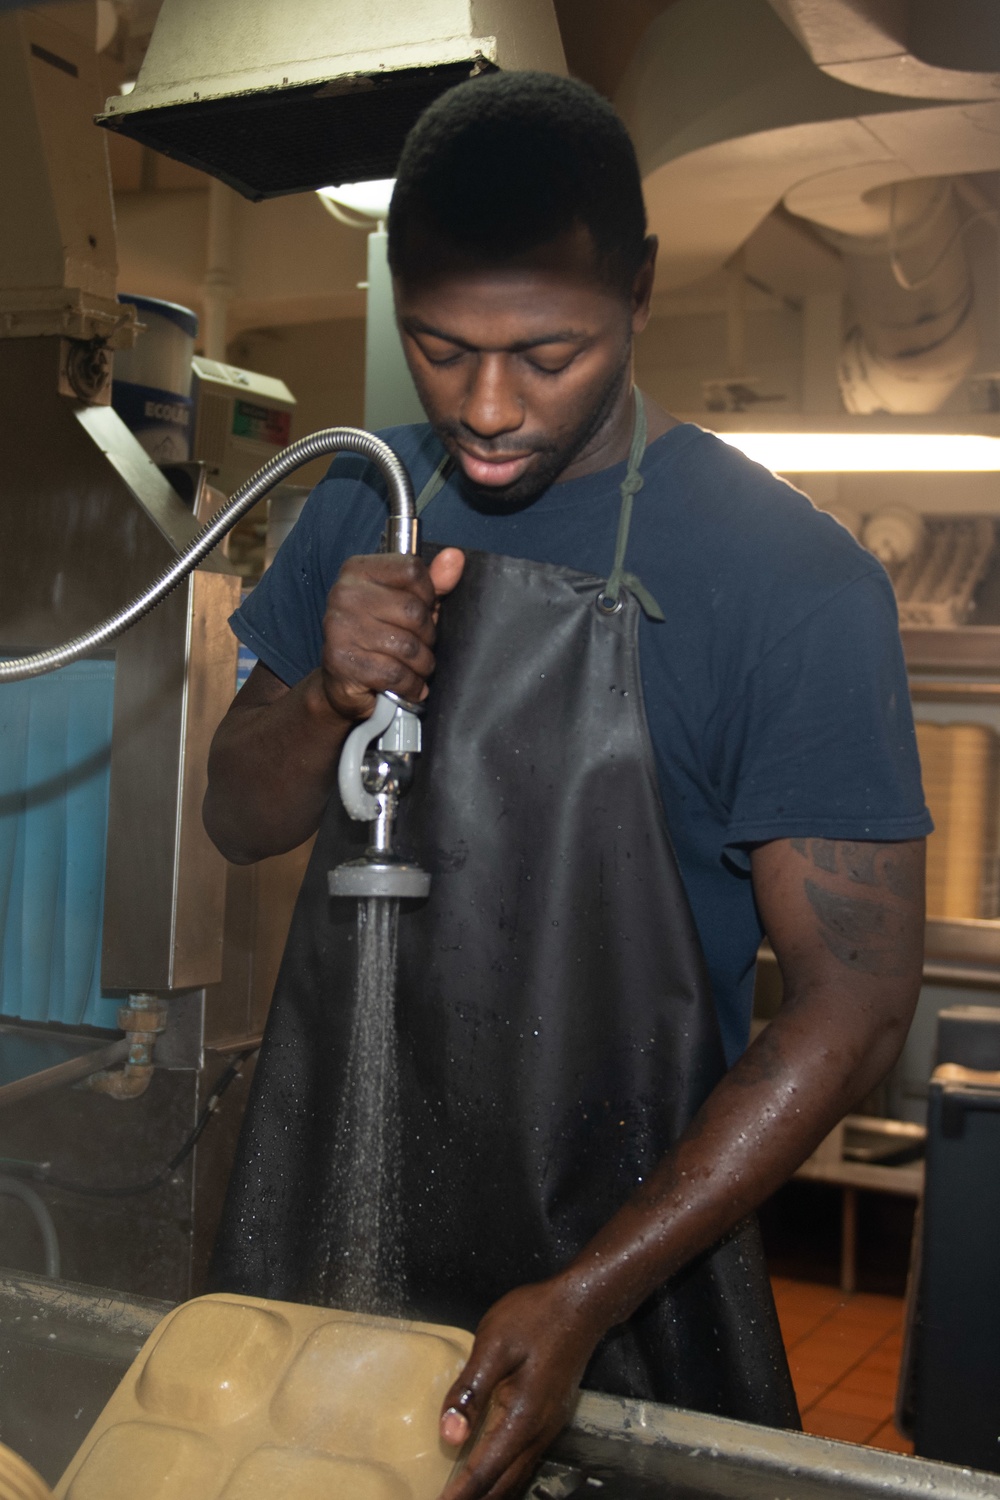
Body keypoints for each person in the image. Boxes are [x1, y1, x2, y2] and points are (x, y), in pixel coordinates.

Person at [205, 71, 929, 1500]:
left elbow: (856, 1011)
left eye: (548, 354)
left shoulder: (789, 585)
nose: (484, 407)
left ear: (642, 291)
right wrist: (322, 693)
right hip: (332, 1245)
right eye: (438, 346)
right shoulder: (360, 498)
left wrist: (588, 1294)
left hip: (626, 1282)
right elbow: (240, 815)